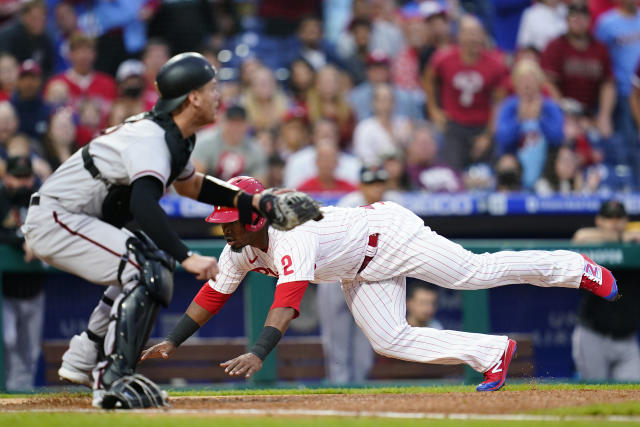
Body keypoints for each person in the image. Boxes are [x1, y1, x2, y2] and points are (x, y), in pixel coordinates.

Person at [21, 53, 320, 409]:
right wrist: (187, 256)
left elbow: (193, 186)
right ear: (192, 97)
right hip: (57, 216)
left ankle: (84, 356)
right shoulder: (152, 138)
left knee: (146, 264)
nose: (217, 97)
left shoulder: (175, 137)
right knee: (149, 268)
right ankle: (113, 377)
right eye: (212, 89)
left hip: (78, 217)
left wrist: (255, 204)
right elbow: (143, 205)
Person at [142, 175, 619, 393]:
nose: (222, 227)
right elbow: (214, 293)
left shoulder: (291, 234)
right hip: (358, 267)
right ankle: (492, 354)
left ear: (252, 216)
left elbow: (286, 304)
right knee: (389, 338)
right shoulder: (238, 247)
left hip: (391, 236)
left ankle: (577, 269)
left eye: (229, 219)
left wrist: (259, 352)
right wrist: (172, 340)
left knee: (474, 273)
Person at [315, 166, 390, 384]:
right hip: (337, 277)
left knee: (365, 341)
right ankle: (340, 388)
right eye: (371, 184)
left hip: (369, 280)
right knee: (336, 341)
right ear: (361, 185)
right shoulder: (348, 204)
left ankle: (359, 389)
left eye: (379, 183)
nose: (376, 188)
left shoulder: (392, 206)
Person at [424, 15, 509, 172]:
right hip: (453, 124)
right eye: (468, 33)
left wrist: (488, 135)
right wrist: (433, 110)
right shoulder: (443, 59)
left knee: (485, 175)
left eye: (476, 33)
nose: (472, 38)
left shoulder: (495, 65)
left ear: (482, 36)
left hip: (481, 126)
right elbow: (428, 80)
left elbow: (499, 103)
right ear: (459, 36)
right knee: (451, 174)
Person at [571, 200, 640, 381]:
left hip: (627, 341)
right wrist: (619, 239)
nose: (614, 222)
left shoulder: (634, 240)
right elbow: (579, 237)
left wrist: (629, 238)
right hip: (593, 336)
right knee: (593, 391)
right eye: (609, 218)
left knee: (633, 395)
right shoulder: (592, 240)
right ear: (599, 220)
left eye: (619, 218)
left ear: (626, 221)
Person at [541, 1, 616, 141]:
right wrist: (565, 114)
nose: (578, 20)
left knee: (604, 138)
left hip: (591, 110)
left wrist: (604, 116)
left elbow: (608, 84)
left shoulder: (599, 48)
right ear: (567, 20)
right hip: (561, 109)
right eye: (573, 16)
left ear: (589, 20)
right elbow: (548, 83)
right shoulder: (556, 46)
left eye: (582, 17)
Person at [0, 156, 42, 391]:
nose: (23, 183)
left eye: (26, 177)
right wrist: (21, 241)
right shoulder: (1, 198)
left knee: (31, 350)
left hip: (34, 287)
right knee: (8, 342)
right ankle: (6, 392)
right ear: (6, 177)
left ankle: (22, 396)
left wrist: (33, 241)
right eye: (17, 177)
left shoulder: (39, 197)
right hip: (5, 290)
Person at [494, 59, 565, 190]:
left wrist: (541, 119)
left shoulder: (550, 107)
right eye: (523, 81)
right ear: (516, 84)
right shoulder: (508, 106)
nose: (527, 85)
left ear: (539, 83)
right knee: (506, 163)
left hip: (547, 165)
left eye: (531, 80)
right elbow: (502, 140)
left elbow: (557, 138)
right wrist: (519, 119)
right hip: (516, 165)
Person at [192, 105, 267, 183]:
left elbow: (260, 184)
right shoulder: (205, 142)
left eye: (240, 123)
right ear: (223, 122)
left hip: (241, 192)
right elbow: (195, 179)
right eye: (232, 122)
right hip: (207, 191)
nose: (235, 127)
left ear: (247, 125)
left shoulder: (255, 150)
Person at [0, 0, 54, 77]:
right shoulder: (7, 35)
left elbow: (48, 69)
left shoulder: (46, 39)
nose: (38, 22)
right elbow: (3, 63)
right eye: (34, 18)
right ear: (23, 17)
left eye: (41, 19)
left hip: (36, 83)